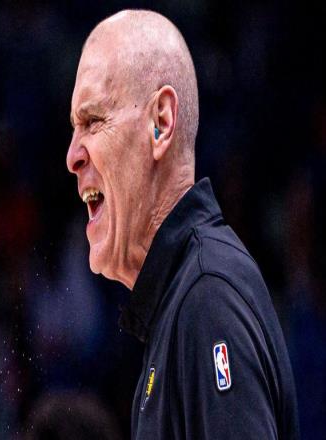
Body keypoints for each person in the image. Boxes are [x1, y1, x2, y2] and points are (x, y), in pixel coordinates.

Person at [66, 9, 300, 440]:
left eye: (93, 121)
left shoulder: (207, 298)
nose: (72, 156)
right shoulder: (181, 301)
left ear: (161, 123)